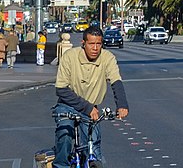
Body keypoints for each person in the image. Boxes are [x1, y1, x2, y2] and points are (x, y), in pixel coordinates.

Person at [53, 26, 129, 168]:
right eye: (91, 44)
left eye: (98, 44)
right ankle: (61, 165)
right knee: (65, 134)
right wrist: (87, 107)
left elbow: (116, 81)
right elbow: (61, 89)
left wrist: (122, 105)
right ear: (83, 43)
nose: (95, 48)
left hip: (90, 108)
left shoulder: (107, 58)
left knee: (93, 143)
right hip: (68, 105)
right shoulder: (70, 56)